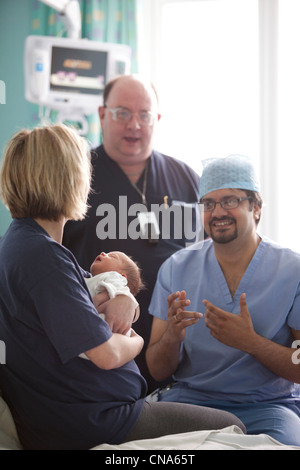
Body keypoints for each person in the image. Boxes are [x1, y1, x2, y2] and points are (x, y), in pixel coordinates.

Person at [0, 125, 245, 450]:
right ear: (70, 180)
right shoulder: (43, 258)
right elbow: (106, 354)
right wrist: (136, 338)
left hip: (83, 411)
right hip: (93, 422)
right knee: (233, 427)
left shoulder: (21, 245)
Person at [146, 154, 300, 446]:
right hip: (191, 403)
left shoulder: (292, 271)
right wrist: (172, 336)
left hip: (267, 409)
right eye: (208, 204)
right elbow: (157, 370)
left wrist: (251, 342)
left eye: (230, 200)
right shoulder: (176, 268)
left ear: (256, 207)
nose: (218, 212)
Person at [62, 74, 202, 392]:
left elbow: (212, 257)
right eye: (122, 113)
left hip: (179, 353)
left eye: (144, 115)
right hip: (100, 351)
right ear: (102, 114)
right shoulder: (74, 178)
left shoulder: (188, 180)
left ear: (157, 119)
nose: (134, 125)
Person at [84, 251, 144, 341]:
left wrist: (123, 296)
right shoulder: (91, 280)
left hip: (102, 333)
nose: (103, 253)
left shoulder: (114, 277)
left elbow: (122, 289)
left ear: (122, 276)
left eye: (112, 256)